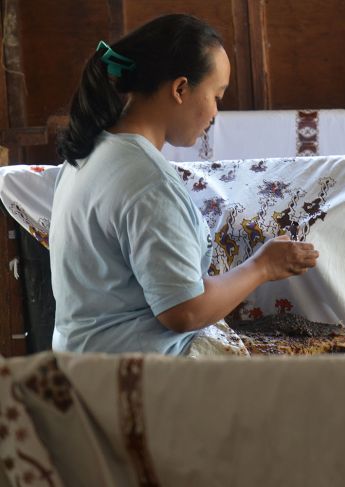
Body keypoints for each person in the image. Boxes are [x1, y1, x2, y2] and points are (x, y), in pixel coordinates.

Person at [51, 14, 318, 355]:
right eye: (216, 96)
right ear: (180, 89)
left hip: (81, 361)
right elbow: (183, 311)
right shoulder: (147, 180)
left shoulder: (91, 153)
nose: (215, 113)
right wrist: (262, 266)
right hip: (132, 376)